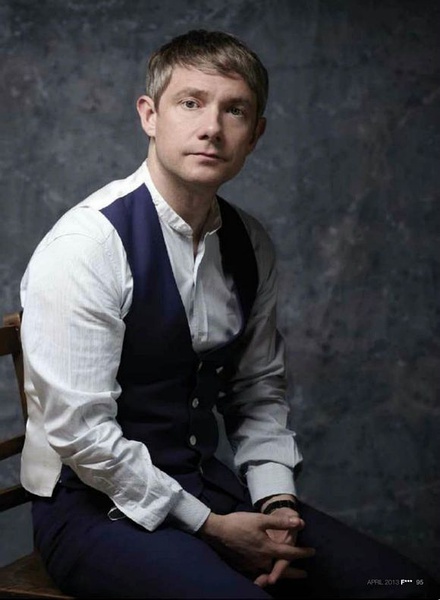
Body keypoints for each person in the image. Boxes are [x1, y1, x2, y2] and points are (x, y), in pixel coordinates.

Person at [19, 29, 439, 599]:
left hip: (208, 491)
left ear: (255, 134)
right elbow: (82, 436)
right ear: (150, 116)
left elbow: (257, 391)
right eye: (190, 103)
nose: (212, 127)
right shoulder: (87, 246)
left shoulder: (250, 243)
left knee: (406, 588)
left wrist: (276, 502)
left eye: (234, 110)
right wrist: (214, 528)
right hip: (95, 510)